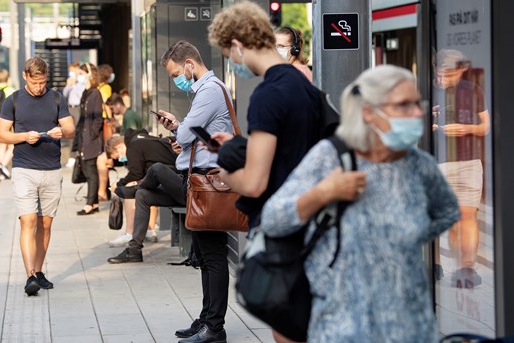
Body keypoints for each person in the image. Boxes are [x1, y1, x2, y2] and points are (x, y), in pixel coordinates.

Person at [259, 65, 460, 341]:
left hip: (411, 327)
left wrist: (404, 237)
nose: (417, 113)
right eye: (403, 105)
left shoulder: (419, 165)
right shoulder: (330, 157)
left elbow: (447, 211)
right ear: (369, 112)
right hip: (341, 328)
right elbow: (273, 219)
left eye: (417, 103)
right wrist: (323, 193)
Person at [207, 2, 325, 342]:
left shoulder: (267, 94)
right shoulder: (302, 83)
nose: (232, 60)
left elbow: (255, 183)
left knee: (285, 326)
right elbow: (292, 144)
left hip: (282, 222)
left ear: (238, 46)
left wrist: (225, 175)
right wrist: (237, 143)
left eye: (228, 52)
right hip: (310, 215)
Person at [107, 40, 233, 343]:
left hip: (210, 183)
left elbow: (189, 134)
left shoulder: (210, 90)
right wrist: (178, 126)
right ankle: (207, 319)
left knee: (213, 256)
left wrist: (181, 129)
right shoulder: (207, 90)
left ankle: (215, 327)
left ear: (189, 64)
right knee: (205, 255)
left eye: (177, 72)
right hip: (201, 179)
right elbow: (191, 133)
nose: (178, 79)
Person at [0, 56, 75, 296]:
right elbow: (3, 134)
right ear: (25, 77)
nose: (40, 87)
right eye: (35, 83)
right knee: (28, 221)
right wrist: (24, 137)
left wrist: (60, 131)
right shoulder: (12, 101)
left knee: (45, 224)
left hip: (52, 168)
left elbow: (71, 130)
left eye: (43, 82)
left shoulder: (56, 98)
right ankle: (30, 275)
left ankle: (39, 271)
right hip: (24, 169)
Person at [432, 49, 490, 287]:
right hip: (436, 162)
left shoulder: (473, 91)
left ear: (461, 70)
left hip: (468, 162)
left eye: (450, 74)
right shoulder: (427, 90)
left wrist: (466, 129)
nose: (445, 79)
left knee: (467, 216)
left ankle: (466, 268)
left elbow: (485, 126)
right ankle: (437, 264)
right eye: (441, 74)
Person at [104, 129, 177, 247]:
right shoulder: (141, 138)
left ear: (118, 147)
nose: (119, 159)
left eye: (117, 156)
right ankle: (150, 230)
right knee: (144, 186)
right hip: (172, 174)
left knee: (130, 186)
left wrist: (118, 184)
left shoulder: (133, 146)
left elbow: (135, 174)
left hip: (171, 178)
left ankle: (129, 233)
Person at [74, 63, 104, 215]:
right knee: (87, 170)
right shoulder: (86, 92)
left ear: (89, 74)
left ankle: (90, 204)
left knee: (90, 171)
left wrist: (92, 135)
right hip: (83, 137)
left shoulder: (95, 93)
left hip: (90, 139)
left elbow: (98, 118)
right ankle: (94, 204)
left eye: (81, 73)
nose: (78, 76)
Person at [97, 64, 114, 201]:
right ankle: (104, 190)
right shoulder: (107, 88)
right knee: (107, 152)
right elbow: (106, 103)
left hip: (98, 121)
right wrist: (111, 119)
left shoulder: (97, 87)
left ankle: (103, 189)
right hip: (105, 121)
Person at [63, 62, 85, 168]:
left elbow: (81, 95)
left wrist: (77, 83)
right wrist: (69, 85)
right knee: (70, 131)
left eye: (73, 70)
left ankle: (78, 154)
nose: (71, 73)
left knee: (79, 131)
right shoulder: (70, 82)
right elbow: (64, 94)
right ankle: (71, 155)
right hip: (70, 107)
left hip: (78, 108)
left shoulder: (82, 82)